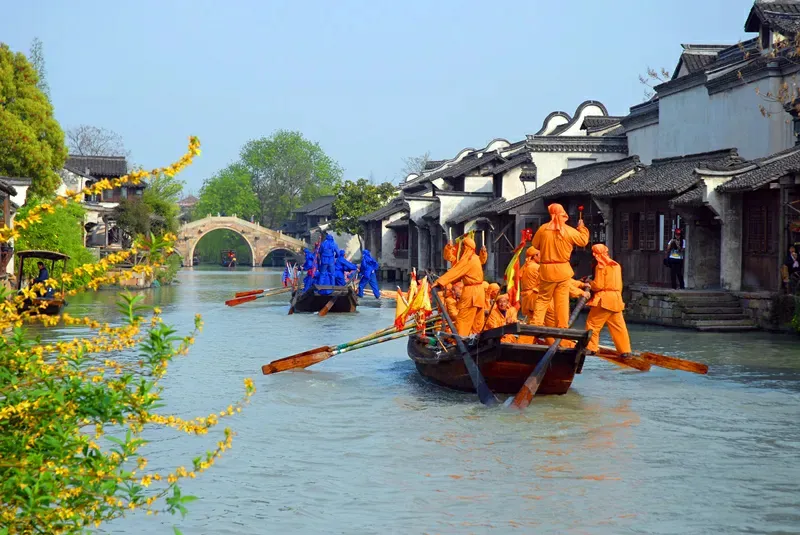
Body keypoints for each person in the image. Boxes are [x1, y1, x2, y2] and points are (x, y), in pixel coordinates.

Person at [530, 203, 590, 330]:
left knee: (543, 299)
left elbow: (535, 245)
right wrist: (582, 228)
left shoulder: (543, 229)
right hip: (563, 270)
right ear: (563, 213)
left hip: (547, 270)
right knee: (562, 301)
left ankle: (536, 324)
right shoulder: (569, 230)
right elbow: (583, 241)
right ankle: (562, 326)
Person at [431, 236, 486, 337]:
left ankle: (461, 340)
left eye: (464, 246)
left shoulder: (468, 260)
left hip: (471, 292)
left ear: (467, 247)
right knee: (477, 320)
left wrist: (440, 281)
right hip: (479, 292)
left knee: (463, 319)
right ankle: (475, 339)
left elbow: (455, 271)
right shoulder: (475, 258)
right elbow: (451, 260)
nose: (462, 249)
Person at [585, 244, 632, 356]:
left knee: (592, 325)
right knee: (619, 327)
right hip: (616, 299)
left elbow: (598, 285)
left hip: (604, 299)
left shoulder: (600, 266)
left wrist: (589, 282)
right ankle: (625, 351)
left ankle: (591, 348)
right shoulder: (616, 265)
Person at [520, 246, 540, 319]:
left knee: (530, 319)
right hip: (533, 297)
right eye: (540, 254)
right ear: (534, 256)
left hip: (526, 297)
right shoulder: (536, 267)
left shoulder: (526, 266)